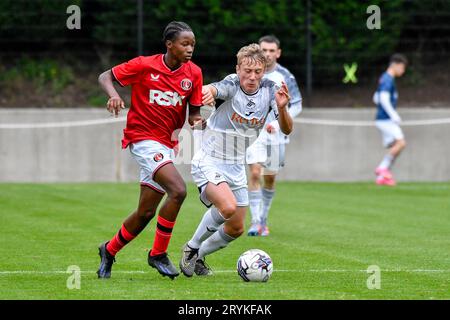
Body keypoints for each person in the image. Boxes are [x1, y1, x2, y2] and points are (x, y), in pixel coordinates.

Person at [96, 21, 204, 279]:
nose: (190, 49)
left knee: (145, 212)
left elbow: (195, 115)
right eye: (184, 43)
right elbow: (105, 76)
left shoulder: (194, 74)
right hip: (142, 139)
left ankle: (108, 251)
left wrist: (199, 123)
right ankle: (157, 254)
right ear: (169, 44)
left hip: (167, 145)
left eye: (192, 44)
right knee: (178, 191)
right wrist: (113, 95)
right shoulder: (145, 65)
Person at [179, 43, 293, 277]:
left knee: (236, 227)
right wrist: (208, 91)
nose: (252, 77)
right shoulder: (231, 84)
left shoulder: (271, 89)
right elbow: (215, 89)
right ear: (238, 69)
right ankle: (191, 248)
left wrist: (282, 109)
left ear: (264, 71)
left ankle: (199, 257)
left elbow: (287, 129)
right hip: (208, 159)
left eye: (258, 72)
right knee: (228, 207)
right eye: (247, 71)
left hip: (235, 165)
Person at [246, 35, 302, 237]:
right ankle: (254, 222)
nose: (268, 54)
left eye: (272, 50)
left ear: (278, 53)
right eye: (264, 50)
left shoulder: (285, 76)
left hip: (276, 135)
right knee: (254, 173)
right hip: (253, 133)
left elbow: (297, 105)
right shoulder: (251, 73)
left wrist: (278, 123)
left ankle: (263, 219)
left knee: (269, 178)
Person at [373, 53, 408, 186]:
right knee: (401, 143)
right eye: (402, 67)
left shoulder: (385, 78)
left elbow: (375, 97)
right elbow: (382, 98)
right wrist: (393, 114)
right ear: (396, 65)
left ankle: (382, 176)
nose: (403, 71)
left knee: (394, 146)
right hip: (385, 120)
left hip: (383, 119)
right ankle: (382, 169)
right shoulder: (387, 79)